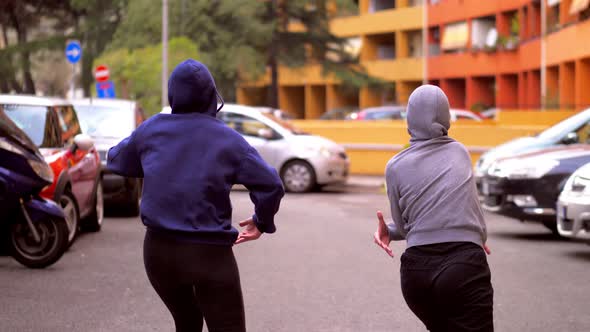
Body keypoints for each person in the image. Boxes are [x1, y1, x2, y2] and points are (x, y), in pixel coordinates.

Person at [107, 59, 285, 332]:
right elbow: (271, 184)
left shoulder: (152, 129)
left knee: (187, 321)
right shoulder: (228, 139)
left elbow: (118, 160)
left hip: (159, 254)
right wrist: (261, 221)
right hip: (209, 256)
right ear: (212, 98)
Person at [373, 85, 494, 332]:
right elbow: (471, 209)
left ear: (409, 118)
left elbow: (406, 228)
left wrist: (390, 230)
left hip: (416, 276)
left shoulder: (394, 166)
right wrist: (474, 235)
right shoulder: (459, 152)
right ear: (446, 117)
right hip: (463, 268)